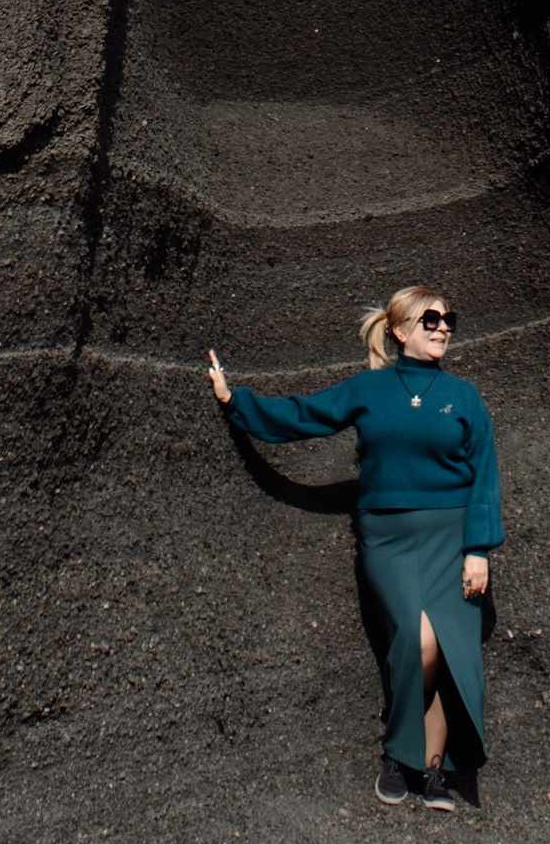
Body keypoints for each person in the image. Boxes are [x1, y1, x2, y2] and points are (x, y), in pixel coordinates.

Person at [207, 282, 503, 812]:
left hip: (449, 536)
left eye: (448, 320)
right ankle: (401, 752)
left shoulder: (465, 395)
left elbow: (485, 476)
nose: (442, 328)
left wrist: (478, 549)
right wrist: (235, 400)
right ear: (399, 330)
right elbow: (302, 416)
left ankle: (430, 768)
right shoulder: (369, 390)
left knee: (445, 650)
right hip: (387, 536)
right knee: (417, 642)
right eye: (430, 319)